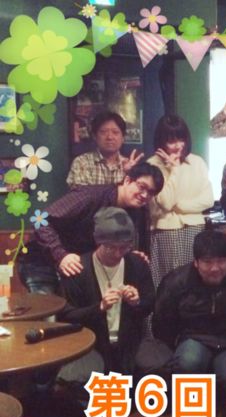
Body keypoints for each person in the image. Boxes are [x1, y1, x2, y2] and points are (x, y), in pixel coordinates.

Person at [153, 231, 226, 417]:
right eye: (207, 262)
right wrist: (175, 347)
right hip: (195, 338)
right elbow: (163, 321)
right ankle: (195, 398)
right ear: (196, 262)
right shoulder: (177, 281)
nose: (215, 268)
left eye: (221, 261)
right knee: (188, 362)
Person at [19, 162, 164, 294]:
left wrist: (131, 254)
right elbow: (39, 220)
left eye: (151, 192)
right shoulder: (91, 196)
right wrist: (61, 255)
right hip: (41, 262)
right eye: (141, 187)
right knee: (48, 311)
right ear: (127, 180)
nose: (145, 195)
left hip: (77, 266)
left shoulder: (139, 211)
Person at [58, 207, 155, 376]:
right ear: (98, 241)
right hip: (91, 344)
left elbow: (150, 304)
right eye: (110, 247)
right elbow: (67, 315)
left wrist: (136, 302)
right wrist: (99, 307)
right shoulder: (79, 268)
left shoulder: (137, 264)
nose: (117, 253)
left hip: (129, 346)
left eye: (124, 247)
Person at [147, 114, 214, 286]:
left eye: (181, 139)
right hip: (166, 230)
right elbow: (166, 202)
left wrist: (180, 206)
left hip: (196, 228)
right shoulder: (152, 165)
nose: (178, 145)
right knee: (169, 282)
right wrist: (174, 170)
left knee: (196, 280)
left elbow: (208, 200)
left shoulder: (197, 162)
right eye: (171, 141)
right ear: (161, 141)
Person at [67, 111, 143, 188]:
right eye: (103, 132)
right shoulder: (82, 163)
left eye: (115, 132)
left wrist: (131, 173)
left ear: (123, 137)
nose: (110, 137)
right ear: (94, 136)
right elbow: (81, 194)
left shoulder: (128, 166)